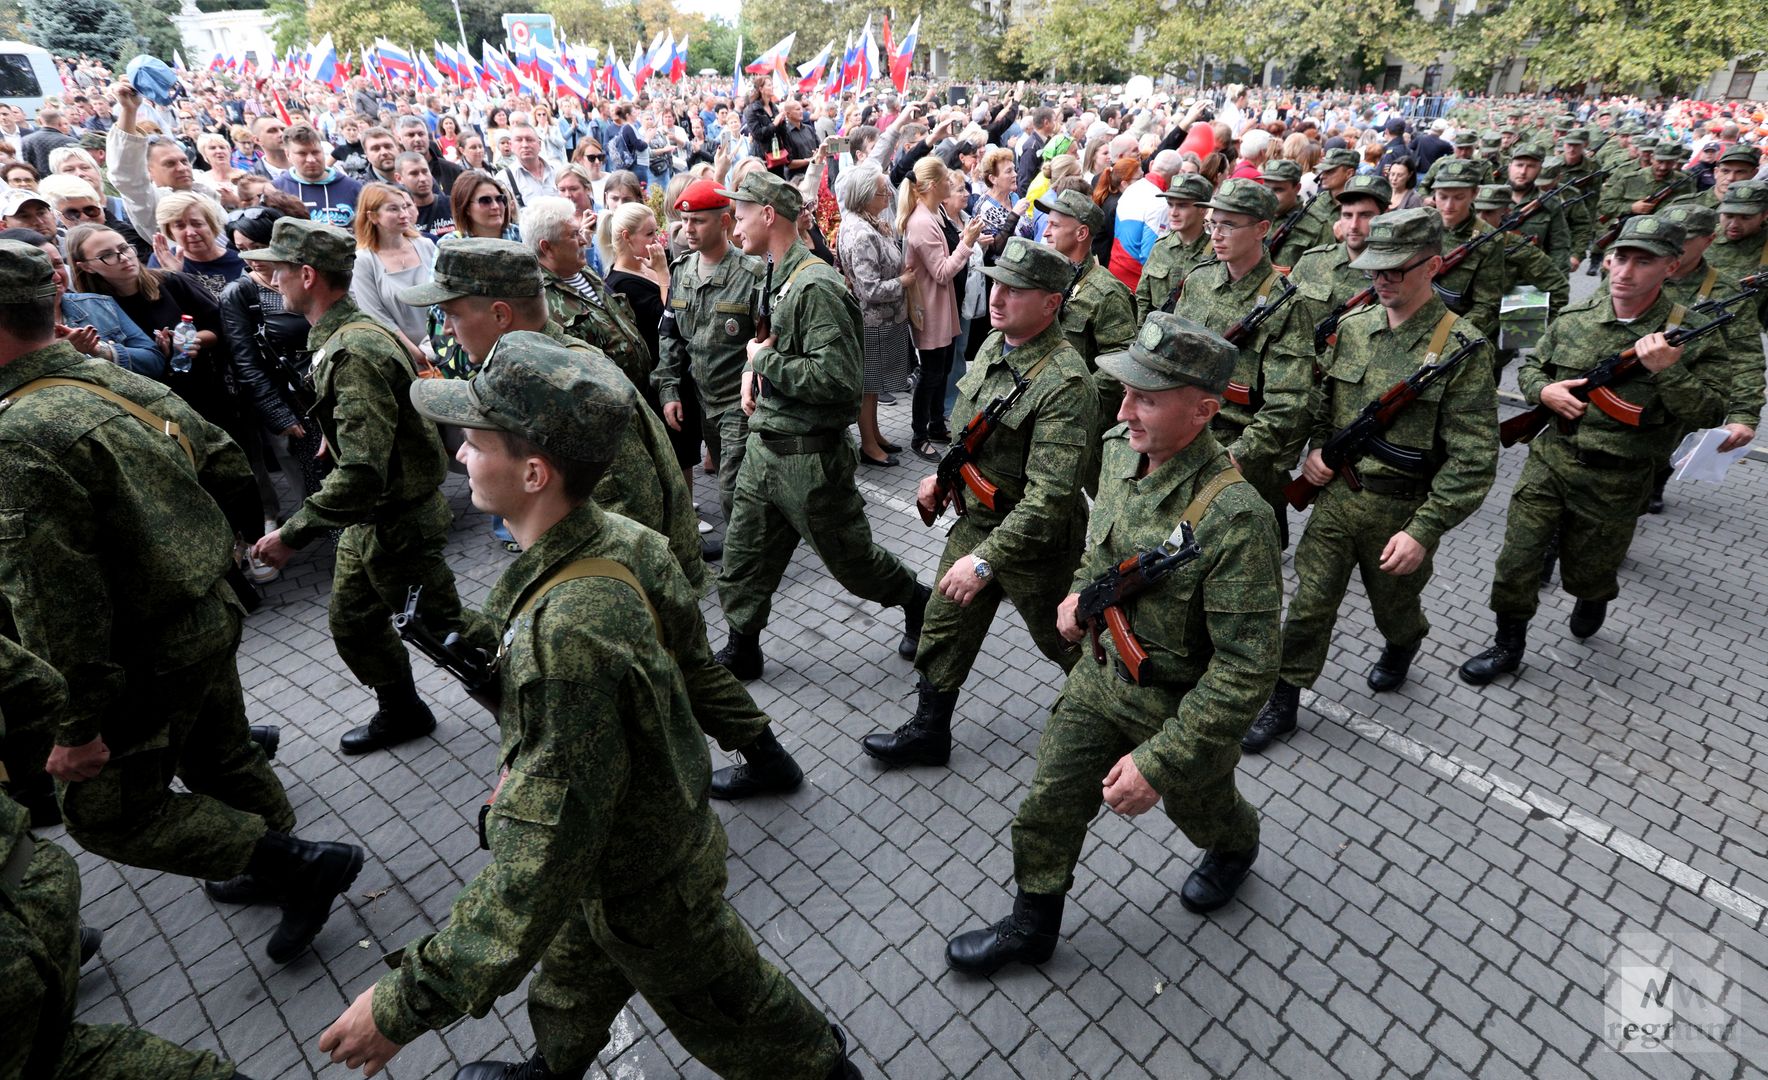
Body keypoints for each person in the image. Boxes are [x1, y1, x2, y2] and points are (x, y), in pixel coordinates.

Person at [316, 334, 859, 1080]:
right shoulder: (621, 540)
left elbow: (537, 858)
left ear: (534, 472)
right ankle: (554, 1065)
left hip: (646, 881)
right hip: (627, 840)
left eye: (475, 443)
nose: (459, 458)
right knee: (573, 976)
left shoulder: (567, 628)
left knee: (741, 1012)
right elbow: (665, 675)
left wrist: (406, 1003)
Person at [0, 237, 363, 964]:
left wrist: (75, 726)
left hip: (143, 654)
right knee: (221, 757)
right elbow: (228, 464)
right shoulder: (112, 382)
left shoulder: (19, 438)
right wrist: (213, 558)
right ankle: (287, 866)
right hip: (203, 615)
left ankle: (292, 863)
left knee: (108, 816)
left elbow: (54, 601)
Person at [944, 312, 1280, 976]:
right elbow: (1101, 548)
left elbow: (1246, 672)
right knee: (1049, 802)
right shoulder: (1118, 447)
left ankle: (1236, 847)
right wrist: (1076, 595)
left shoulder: (1239, 520)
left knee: (1206, 813)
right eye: (1125, 391)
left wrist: (1159, 763)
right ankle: (1032, 924)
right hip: (1099, 679)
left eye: (1146, 398)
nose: (1124, 409)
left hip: (1177, 713)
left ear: (1204, 410)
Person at [1244, 209, 1498, 753]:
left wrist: (1425, 530)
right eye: (1374, 270)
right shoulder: (1353, 330)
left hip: (1401, 514)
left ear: (1431, 266)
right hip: (1339, 500)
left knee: (1395, 611)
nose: (1381, 280)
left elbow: (1473, 460)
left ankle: (1405, 643)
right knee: (1310, 604)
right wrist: (1315, 450)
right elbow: (1318, 405)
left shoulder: (1462, 350)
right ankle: (1283, 700)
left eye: (1395, 271)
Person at [1459, 215, 1729, 685]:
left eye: (1642, 262)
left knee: (1589, 571)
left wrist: (1669, 371)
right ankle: (1508, 646)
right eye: (1620, 258)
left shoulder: (1694, 334)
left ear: (1670, 266)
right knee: (1516, 561)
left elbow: (1710, 413)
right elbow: (1532, 367)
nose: (1625, 272)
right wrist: (1543, 393)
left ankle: (1592, 595)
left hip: (1618, 478)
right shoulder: (1576, 317)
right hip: (1552, 460)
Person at [862, 237, 1098, 768]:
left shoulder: (1065, 383)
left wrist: (988, 561)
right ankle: (929, 732)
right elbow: (970, 433)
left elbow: (1050, 499)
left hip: (1037, 546)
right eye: (996, 282)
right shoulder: (996, 344)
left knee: (1065, 640)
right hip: (977, 522)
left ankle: (1115, 723)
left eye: (1016, 290)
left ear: (1051, 303)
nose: (997, 296)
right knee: (945, 624)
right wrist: (942, 480)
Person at [244, 219, 465, 755]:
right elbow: (371, 428)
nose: (271, 281)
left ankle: (530, 697)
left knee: (448, 630)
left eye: (278, 270)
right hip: (371, 520)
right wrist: (337, 438)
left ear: (307, 274)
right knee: (354, 622)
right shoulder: (345, 335)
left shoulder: (353, 348)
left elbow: (363, 472)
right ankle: (403, 708)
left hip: (395, 520)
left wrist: (292, 535)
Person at [710, 171, 931, 681]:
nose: (733, 224)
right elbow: (772, 346)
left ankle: (917, 602)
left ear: (768, 215)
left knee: (854, 564)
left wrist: (760, 363)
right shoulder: (776, 273)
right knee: (744, 557)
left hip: (811, 461)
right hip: (767, 449)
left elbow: (837, 380)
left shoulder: (816, 285)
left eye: (739, 214)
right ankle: (743, 646)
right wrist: (753, 368)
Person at [1172, 177, 1316, 549]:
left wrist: (1240, 455)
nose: (1216, 235)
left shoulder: (1286, 306)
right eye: (1212, 224)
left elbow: (1288, 402)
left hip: (1240, 453)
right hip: (1184, 437)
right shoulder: (1199, 280)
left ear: (1262, 229)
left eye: (1228, 225)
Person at [1632, 204, 1764, 512]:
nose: (1672, 247)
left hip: (1676, 393)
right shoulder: (1633, 271)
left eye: (1684, 239)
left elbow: (1745, 356)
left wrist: (1744, 416)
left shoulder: (1724, 291)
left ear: (1708, 240)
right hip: (1620, 383)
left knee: (1650, 469)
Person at [658, 179, 766, 522]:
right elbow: (670, 336)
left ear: (724, 222)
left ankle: (742, 565)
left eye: (698, 221)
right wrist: (668, 388)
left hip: (739, 402)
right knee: (727, 479)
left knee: (733, 490)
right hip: (703, 402)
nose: (688, 229)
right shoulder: (682, 271)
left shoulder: (752, 273)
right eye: (685, 220)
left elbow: (765, 340)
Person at [218, 205, 330, 525]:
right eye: (242, 250)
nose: (252, 257)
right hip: (296, 402)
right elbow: (246, 362)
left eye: (258, 247)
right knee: (320, 478)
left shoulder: (307, 274)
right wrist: (277, 413)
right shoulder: (240, 293)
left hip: (332, 385)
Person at [1038, 187, 1138, 490]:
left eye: (1055, 225)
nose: (1046, 232)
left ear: (1082, 233)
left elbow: (1120, 362)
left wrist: (1077, 402)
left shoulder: (1106, 292)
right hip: (1046, 415)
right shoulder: (1049, 278)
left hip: (1084, 426)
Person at [834, 161, 915, 466]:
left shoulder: (864, 221)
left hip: (881, 322)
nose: (889, 197)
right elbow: (869, 289)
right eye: (883, 192)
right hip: (873, 323)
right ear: (865, 195)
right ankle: (869, 445)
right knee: (869, 388)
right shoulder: (861, 231)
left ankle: (876, 435)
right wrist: (903, 282)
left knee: (875, 387)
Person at [534, 190, 655, 394]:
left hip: (642, 394)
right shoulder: (541, 300)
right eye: (574, 235)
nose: (583, 240)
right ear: (547, 247)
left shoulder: (584, 271)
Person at [104, 82, 223, 239]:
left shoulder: (206, 191)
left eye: (184, 161)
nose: (182, 168)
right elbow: (126, 174)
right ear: (148, 171)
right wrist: (129, 109)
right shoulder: (151, 203)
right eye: (170, 164)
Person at [350, 181, 437, 360]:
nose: (404, 214)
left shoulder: (426, 246)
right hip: (402, 357)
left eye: (404, 207)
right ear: (373, 216)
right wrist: (418, 356)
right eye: (393, 209)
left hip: (442, 347)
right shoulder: (363, 260)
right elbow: (376, 317)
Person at [1287, 174, 1394, 314]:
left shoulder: (1397, 275)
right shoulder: (1312, 261)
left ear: (1385, 216)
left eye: (1365, 215)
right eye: (1347, 215)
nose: (1353, 226)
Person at [1425, 159, 1506, 343]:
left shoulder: (1489, 240)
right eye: (1442, 196)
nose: (1448, 206)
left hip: (1460, 331)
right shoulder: (1422, 226)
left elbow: (1487, 304)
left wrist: (1452, 335)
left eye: (1459, 197)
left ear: (1474, 193)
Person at [1134, 173, 1214, 320]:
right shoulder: (1160, 247)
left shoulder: (1216, 253)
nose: (1173, 213)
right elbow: (1143, 298)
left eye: (1182, 206)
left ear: (1203, 209)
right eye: (1170, 204)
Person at [1273, 147, 1360, 269]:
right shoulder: (1317, 201)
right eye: (1322, 170)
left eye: (1330, 171)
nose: (1322, 175)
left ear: (1349, 173)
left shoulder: (1360, 206)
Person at [150, 191, 245, 296]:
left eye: (197, 224)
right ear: (170, 233)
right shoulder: (162, 261)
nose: (191, 233)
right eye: (180, 226)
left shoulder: (241, 261)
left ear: (211, 225)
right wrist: (174, 275)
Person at [273, 123, 362, 228]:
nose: (311, 160)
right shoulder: (277, 190)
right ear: (288, 155)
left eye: (315, 152)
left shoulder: (353, 188)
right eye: (302, 154)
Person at [395, 150, 453, 241]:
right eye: (414, 174)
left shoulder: (453, 205)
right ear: (399, 178)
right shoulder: (401, 216)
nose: (422, 179)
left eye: (425, 172)